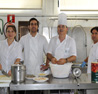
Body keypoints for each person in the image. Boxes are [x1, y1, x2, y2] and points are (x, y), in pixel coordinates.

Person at [0, 24, 23, 94]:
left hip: (12, 74)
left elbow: (18, 59)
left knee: (11, 91)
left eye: (12, 31)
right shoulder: (0, 44)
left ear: (15, 33)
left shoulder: (18, 45)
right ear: (6, 33)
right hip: (1, 73)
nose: (10, 33)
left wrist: (12, 69)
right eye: (8, 31)